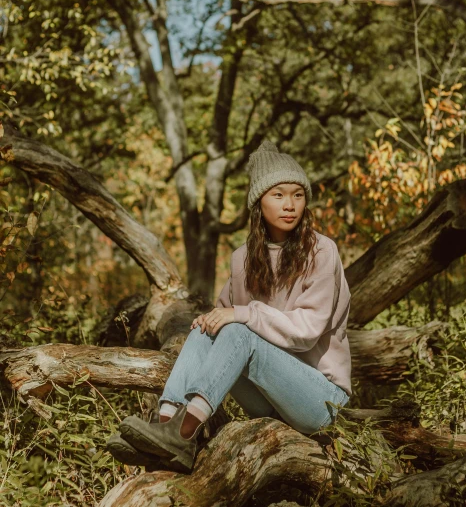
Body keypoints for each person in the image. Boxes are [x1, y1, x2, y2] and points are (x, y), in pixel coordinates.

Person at [108, 140, 351, 473]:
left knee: (238, 330)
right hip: (269, 400)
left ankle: (183, 433)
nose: (290, 204)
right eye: (278, 195)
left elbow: (306, 333)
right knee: (203, 330)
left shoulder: (322, 252)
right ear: (258, 203)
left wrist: (242, 314)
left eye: (298, 194)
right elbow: (218, 321)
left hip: (319, 400)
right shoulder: (244, 259)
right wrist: (215, 320)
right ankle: (164, 426)